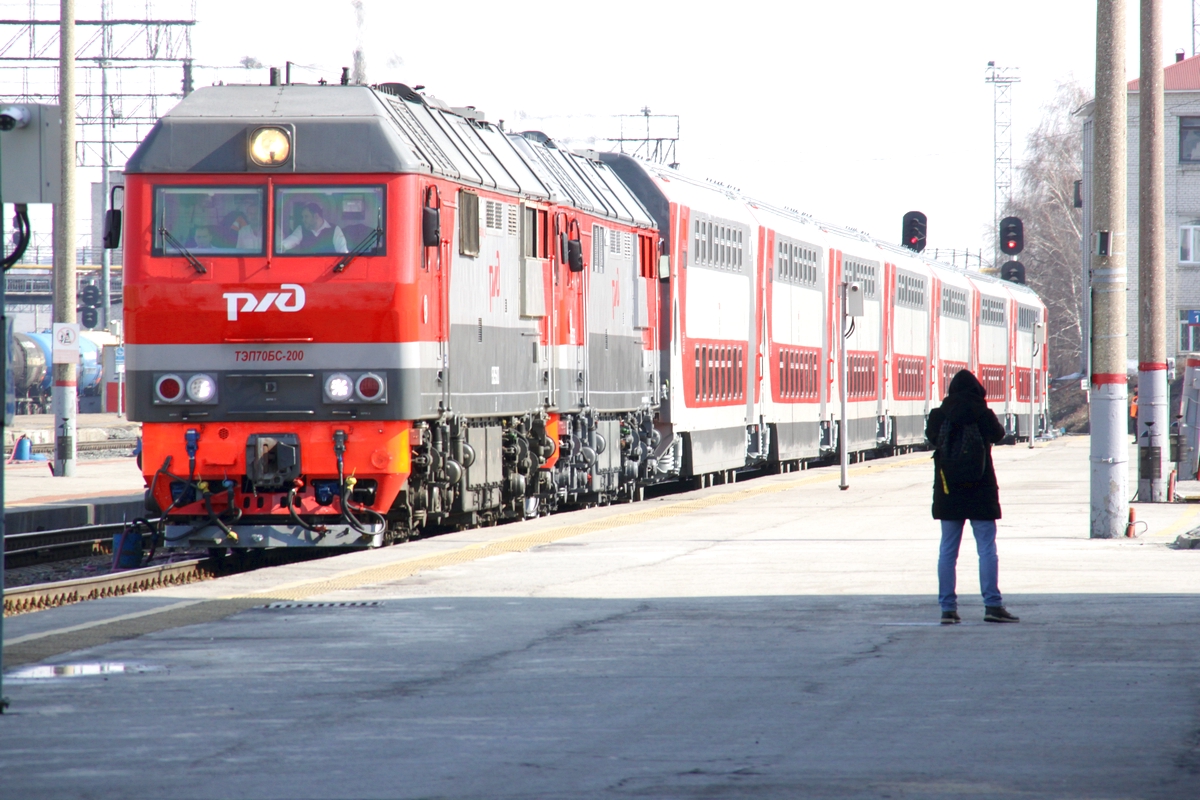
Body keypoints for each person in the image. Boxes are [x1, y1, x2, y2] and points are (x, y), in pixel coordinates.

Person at [926, 369, 1020, 625]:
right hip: (981, 489)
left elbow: (933, 439)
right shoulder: (983, 414)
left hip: (949, 491)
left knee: (947, 551)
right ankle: (992, 605)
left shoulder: (938, 415)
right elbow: (999, 435)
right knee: (987, 549)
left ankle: (947, 609)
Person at [279, 202, 348, 254]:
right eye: (302, 217)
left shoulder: (334, 229)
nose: (303, 220)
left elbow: (343, 251)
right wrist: (281, 246)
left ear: (316, 216)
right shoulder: (301, 229)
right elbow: (292, 240)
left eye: (306, 216)